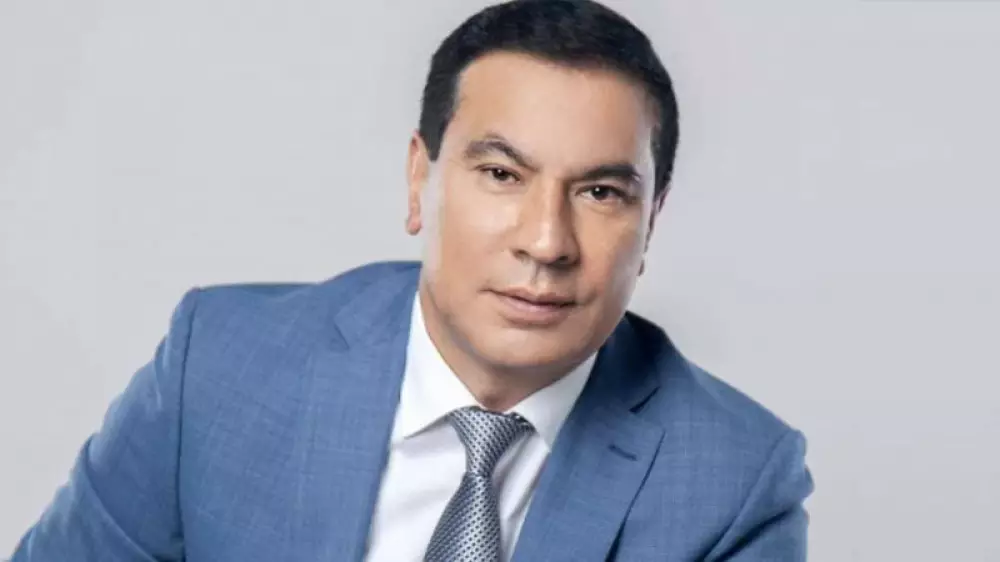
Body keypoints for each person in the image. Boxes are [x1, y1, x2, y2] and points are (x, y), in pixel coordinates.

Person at [11, 1, 813, 560]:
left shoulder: (734, 482)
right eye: (502, 175)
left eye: (600, 192)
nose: (546, 242)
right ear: (418, 180)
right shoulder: (218, 369)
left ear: (651, 223)